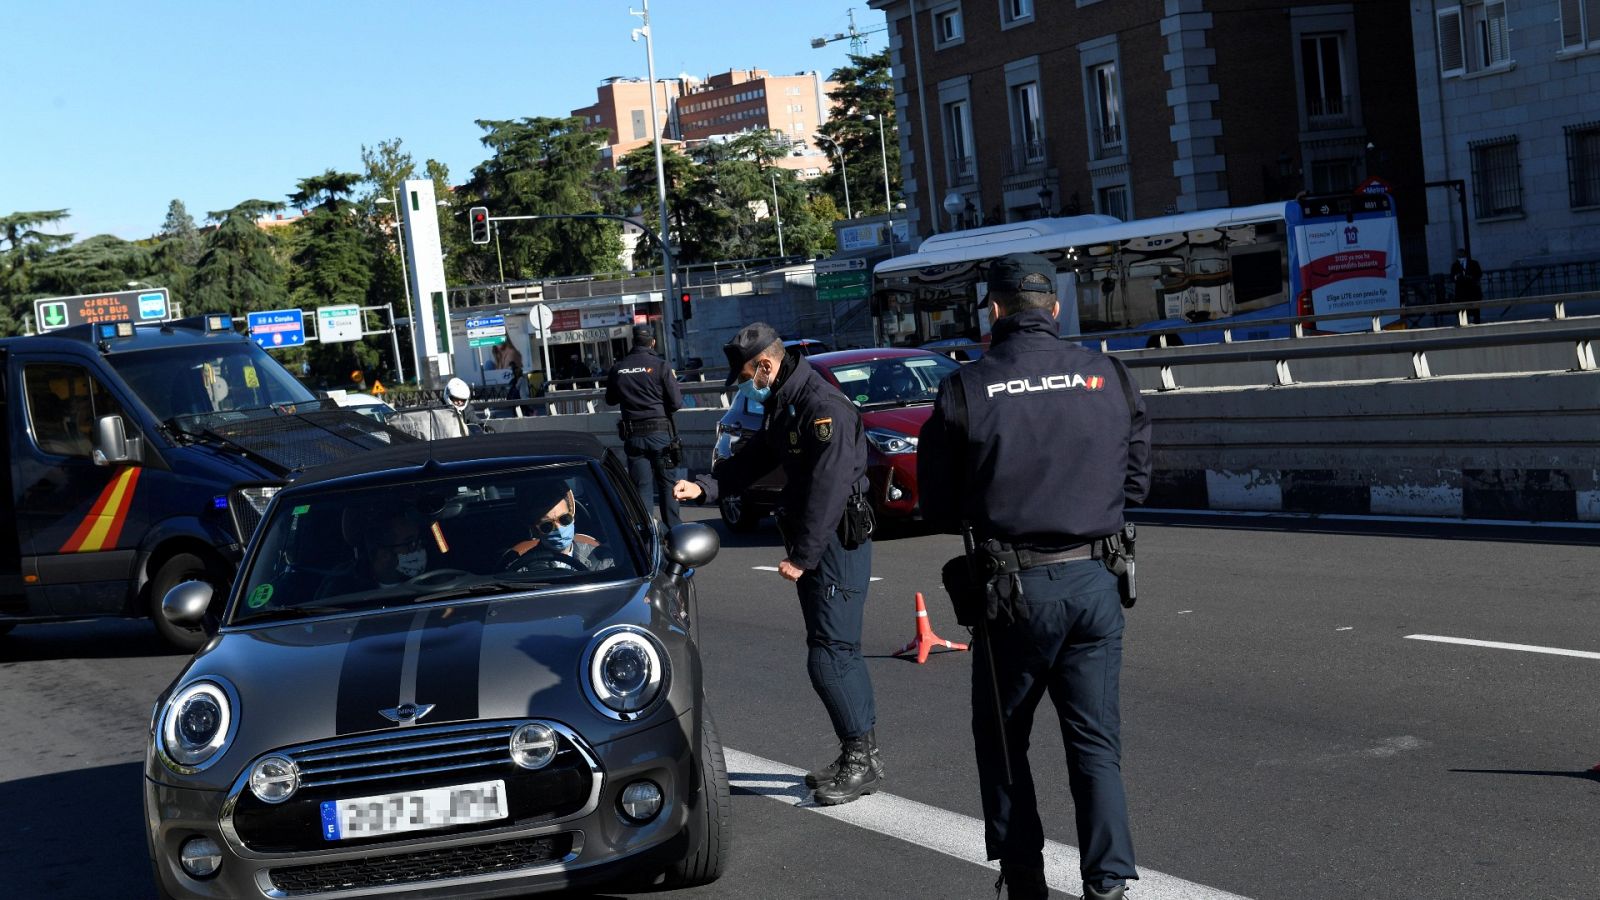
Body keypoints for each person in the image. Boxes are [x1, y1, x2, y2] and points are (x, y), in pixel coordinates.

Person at [917, 253, 1151, 900]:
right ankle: (1108, 884)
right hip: (1097, 581)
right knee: (1096, 746)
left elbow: (936, 504)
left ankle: (1024, 881)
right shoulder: (1109, 373)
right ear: (1053, 308)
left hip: (1012, 594)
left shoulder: (966, 387)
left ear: (992, 310)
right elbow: (1138, 479)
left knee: (1003, 743)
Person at [672, 322, 881, 806]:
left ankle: (862, 761)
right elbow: (756, 457)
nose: (749, 384)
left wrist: (803, 557)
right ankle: (858, 752)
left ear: (766, 363)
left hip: (834, 544)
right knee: (830, 649)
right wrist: (707, 486)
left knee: (832, 653)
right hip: (820, 544)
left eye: (749, 374)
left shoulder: (820, 408)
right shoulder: (788, 401)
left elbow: (829, 489)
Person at [605, 324, 685, 530]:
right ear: (652, 342)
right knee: (668, 486)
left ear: (633, 342)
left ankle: (646, 536)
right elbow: (676, 403)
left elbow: (610, 399)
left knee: (641, 487)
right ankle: (675, 533)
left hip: (634, 437)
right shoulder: (661, 366)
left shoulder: (618, 368)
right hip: (660, 434)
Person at [501, 479, 615, 573]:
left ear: (573, 517)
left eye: (564, 519)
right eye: (547, 525)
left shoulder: (602, 558)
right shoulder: (523, 569)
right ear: (535, 530)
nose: (559, 529)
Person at [318, 505, 430, 597]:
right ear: (383, 555)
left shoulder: (433, 579)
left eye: (418, 541)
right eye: (410, 543)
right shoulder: (342, 588)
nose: (419, 549)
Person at [1450, 247, 1483, 324]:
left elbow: (1479, 274)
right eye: (1458, 255)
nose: (1460, 257)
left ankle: (1477, 324)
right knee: (1462, 311)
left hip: (1472, 290)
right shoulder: (1455, 265)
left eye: (1461, 255)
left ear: (1465, 255)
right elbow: (1451, 277)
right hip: (1461, 292)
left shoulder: (1474, 263)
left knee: (1475, 311)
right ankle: (1463, 325)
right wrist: (1456, 277)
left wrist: (1471, 277)